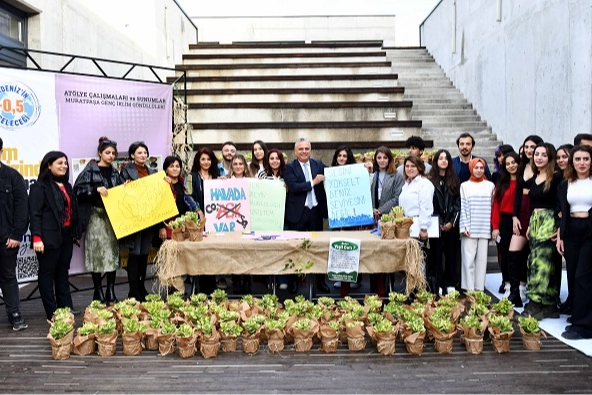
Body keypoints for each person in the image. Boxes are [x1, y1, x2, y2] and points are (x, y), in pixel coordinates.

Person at [30, 151, 81, 320]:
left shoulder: (66, 185)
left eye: (65, 163)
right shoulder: (40, 187)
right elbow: (35, 214)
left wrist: (74, 232)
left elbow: (72, 211)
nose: (64, 166)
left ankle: (66, 308)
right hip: (47, 238)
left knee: (62, 272)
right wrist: (37, 237)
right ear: (49, 165)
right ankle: (52, 313)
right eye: (59, 163)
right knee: (47, 274)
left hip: (66, 236)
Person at [74, 137, 124, 304]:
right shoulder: (89, 170)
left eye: (113, 153)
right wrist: (95, 190)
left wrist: (126, 186)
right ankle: (98, 290)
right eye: (107, 152)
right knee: (95, 254)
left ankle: (111, 289)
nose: (110, 156)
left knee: (112, 254)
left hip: (113, 217)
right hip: (95, 216)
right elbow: (77, 191)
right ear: (100, 153)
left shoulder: (116, 172)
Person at [519, 143, 562, 319]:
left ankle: (535, 303)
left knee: (541, 263)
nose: (539, 157)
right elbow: (533, 205)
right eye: (537, 154)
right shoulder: (534, 178)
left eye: (544, 155)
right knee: (537, 260)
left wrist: (559, 227)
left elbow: (561, 204)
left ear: (550, 157)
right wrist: (529, 225)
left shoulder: (557, 178)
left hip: (549, 222)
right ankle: (549, 304)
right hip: (535, 221)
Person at [283, 137, 330, 294]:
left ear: (311, 150)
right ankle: (294, 282)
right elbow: (294, 187)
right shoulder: (289, 168)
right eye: (301, 149)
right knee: (296, 249)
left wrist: (361, 168)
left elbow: (336, 172)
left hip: (315, 212)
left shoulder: (318, 164)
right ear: (295, 152)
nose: (304, 151)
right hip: (298, 214)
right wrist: (313, 182)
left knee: (318, 248)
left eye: (307, 149)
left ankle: (320, 281)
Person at [557, 145, 592, 339]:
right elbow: (563, 212)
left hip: (589, 230)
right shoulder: (566, 183)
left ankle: (584, 327)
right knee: (572, 277)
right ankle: (578, 319)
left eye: (586, 159)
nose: (582, 163)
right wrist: (561, 236)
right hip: (571, 232)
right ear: (572, 162)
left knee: (583, 277)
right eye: (578, 159)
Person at [508, 135, 544, 307]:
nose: (529, 150)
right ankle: (515, 292)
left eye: (533, 147)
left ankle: (528, 288)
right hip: (520, 210)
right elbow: (517, 194)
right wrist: (514, 216)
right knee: (514, 251)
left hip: (535, 210)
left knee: (531, 253)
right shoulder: (522, 166)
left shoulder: (542, 168)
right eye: (527, 147)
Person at [120, 141, 157, 302]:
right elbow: (120, 194)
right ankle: (133, 290)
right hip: (134, 219)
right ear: (132, 155)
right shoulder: (126, 172)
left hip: (149, 218)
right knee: (134, 254)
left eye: (145, 152)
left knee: (144, 254)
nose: (143, 155)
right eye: (139, 153)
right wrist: (125, 187)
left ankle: (142, 288)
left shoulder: (153, 171)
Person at [0, 137, 29, 331]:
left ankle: (15, 314)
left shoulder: (12, 177)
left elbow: (22, 209)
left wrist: (17, 235)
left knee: (8, 277)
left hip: (5, 240)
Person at [370, 147, 404, 295]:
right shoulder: (373, 175)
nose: (382, 160)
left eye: (385, 158)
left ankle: (387, 286)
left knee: (386, 252)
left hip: (387, 218)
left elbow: (397, 197)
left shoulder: (396, 176)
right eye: (379, 158)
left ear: (390, 159)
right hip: (371, 218)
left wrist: (381, 210)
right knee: (372, 252)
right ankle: (373, 287)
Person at [186, 147, 221, 294]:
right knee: (201, 252)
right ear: (198, 161)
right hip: (199, 220)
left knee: (213, 252)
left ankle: (213, 286)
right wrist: (198, 210)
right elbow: (187, 195)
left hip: (216, 220)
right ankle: (201, 289)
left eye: (208, 159)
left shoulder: (218, 176)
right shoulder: (191, 176)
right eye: (203, 159)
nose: (206, 162)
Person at [329, 145, 362, 293]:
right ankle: (340, 276)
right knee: (338, 245)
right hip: (337, 216)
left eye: (345, 156)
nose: (342, 158)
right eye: (339, 156)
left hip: (352, 217)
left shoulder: (355, 173)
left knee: (352, 247)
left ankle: (354, 278)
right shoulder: (331, 173)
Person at [428, 149, 461, 295]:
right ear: (436, 161)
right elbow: (430, 204)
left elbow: (457, 204)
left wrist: (451, 223)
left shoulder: (454, 179)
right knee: (436, 255)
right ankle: (438, 284)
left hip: (451, 225)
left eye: (446, 158)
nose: (443, 161)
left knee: (451, 254)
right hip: (435, 224)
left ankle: (450, 282)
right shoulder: (430, 180)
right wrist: (439, 222)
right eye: (440, 158)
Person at [459, 158, 495, 291]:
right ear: (471, 169)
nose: (479, 170)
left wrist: (492, 227)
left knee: (481, 261)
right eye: (476, 168)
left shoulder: (490, 185)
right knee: (468, 261)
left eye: (481, 168)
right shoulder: (465, 185)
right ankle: (469, 288)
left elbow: (492, 207)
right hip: (470, 228)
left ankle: (479, 288)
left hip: (484, 227)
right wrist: (464, 226)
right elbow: (463, 206)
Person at [491, 151, 520, 295]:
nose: (511, 166)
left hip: (520, 219)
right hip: (505, 221)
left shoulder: (524, 181)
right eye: (507, 163)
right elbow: (495, 206)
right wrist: (495, 227)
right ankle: (507, 282)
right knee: (505, 253)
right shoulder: (501, 183)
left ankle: (521, 284)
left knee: (519, 254)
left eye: (513, 162)